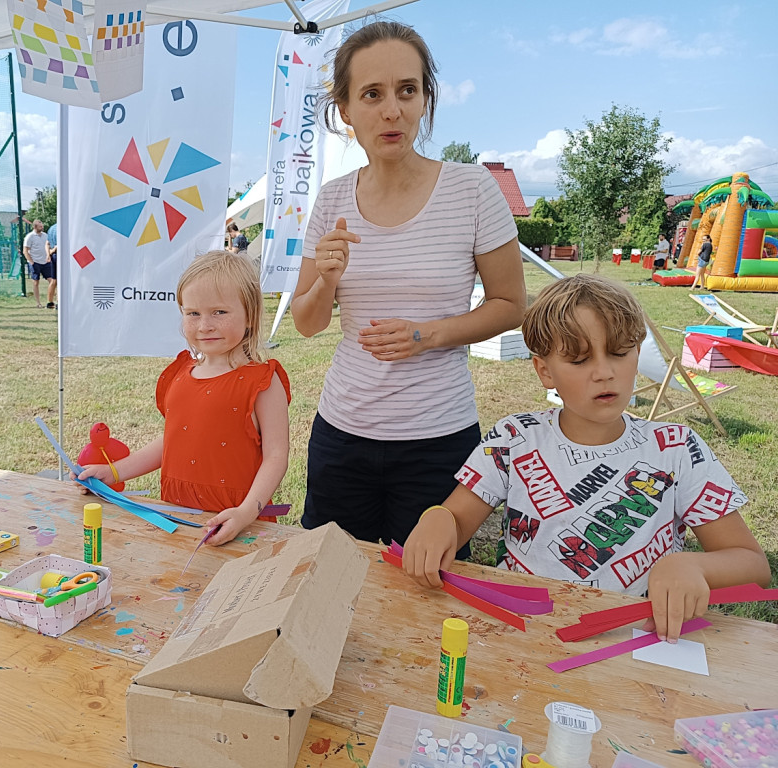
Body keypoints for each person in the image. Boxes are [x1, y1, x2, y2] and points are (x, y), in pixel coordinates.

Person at [402, 274, 770, 643]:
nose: (604, 372)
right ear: (544, 371)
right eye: (579, 360)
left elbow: (754, 567)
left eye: (619, 353)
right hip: (523, 637)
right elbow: (457, 520)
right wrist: (439, 519)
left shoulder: (676, 448)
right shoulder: (514, 439)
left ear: (637, 355)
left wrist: (692, 566)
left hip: (639, 643)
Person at [290, 20, 526, 552]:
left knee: (426, 588)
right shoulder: (331, 199)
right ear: (345, 110)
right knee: (327, 575)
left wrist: (429, 334)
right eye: (371, 94)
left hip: (438, 438)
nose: (391, 110)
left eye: (407, 91)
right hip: (342, 432)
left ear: (425, 99)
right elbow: (308, 324)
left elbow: (511, 305)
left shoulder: (471, 189)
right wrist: (326, 279)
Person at [74, 250, 291, 546]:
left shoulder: (263, 381)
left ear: (250, 315)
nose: (205, 325)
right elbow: (173, 441)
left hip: (238, 523)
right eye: (193, 314)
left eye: (219, 312)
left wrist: (245, 513)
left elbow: (276, 457)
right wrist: (113, 472)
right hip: (178, 517)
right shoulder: (180, 373)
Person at [21, 219, 55, 309]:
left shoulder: (45, 236)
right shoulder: (29, 237)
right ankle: (38, 302)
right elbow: (25, 251)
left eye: (42, 225)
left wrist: (49, 256)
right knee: (36, 282)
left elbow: (48, 246)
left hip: (46, 262)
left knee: (52, 281)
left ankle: (51, 301)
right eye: (40, 226)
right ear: (35, 227)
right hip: (35, 262)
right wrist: (31, 262)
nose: (42, 227)